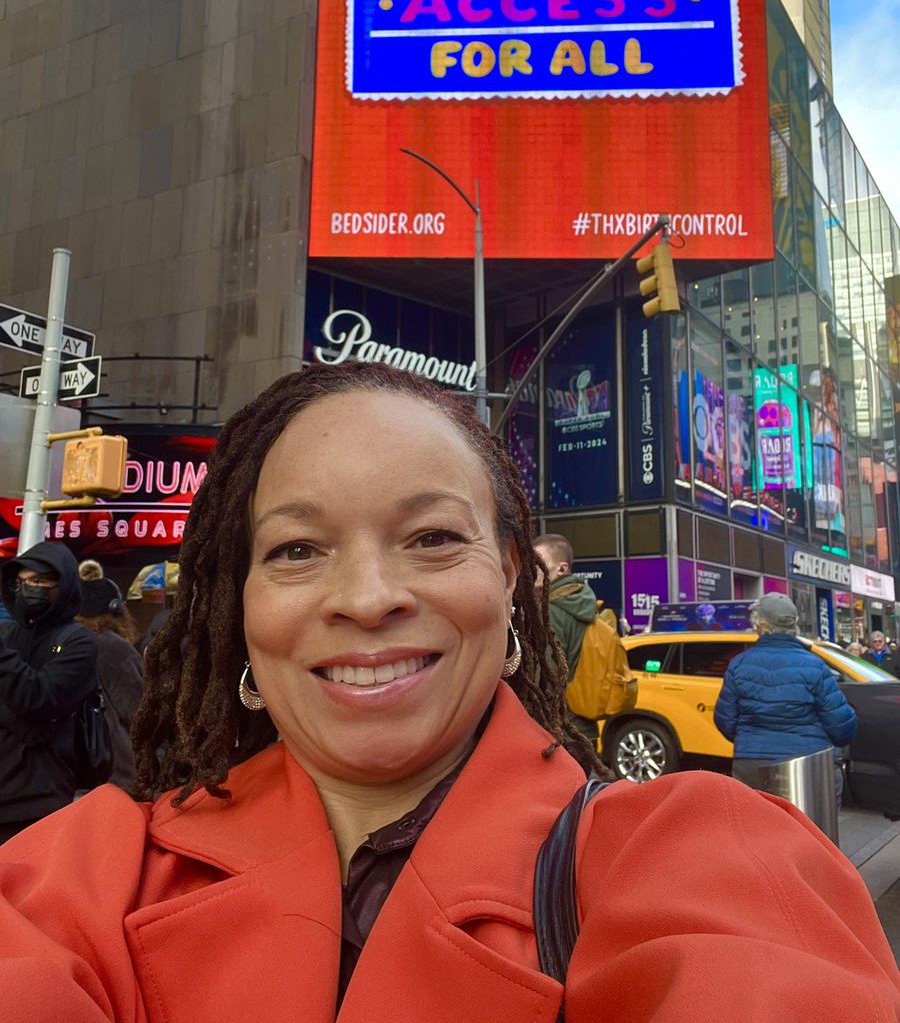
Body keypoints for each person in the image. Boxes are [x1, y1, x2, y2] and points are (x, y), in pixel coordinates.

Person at [0, 364, 898, 1021]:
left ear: (510, 579)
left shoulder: (698, 858)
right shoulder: (85, 876)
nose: (366, 597)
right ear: (239, 610)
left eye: (431, 537)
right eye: (296, 550)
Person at [714, 592, 857, 810]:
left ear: (760, 625)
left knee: (758, 835)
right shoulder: (815, 665)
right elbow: (842, 727)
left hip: (752, 763)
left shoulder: (739, 664)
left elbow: (725, 720)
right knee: (813, 836)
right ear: (794, 624)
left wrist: (752, 738)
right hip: (810, 764)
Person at [0, 542, 97, 844]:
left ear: (63, 585)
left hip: (39, 797)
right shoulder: (9, 635)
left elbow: (38, 699)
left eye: (40, 581)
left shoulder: (79, 643)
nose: (29, 588)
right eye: (23, 582)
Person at [76, 561, 144, 791]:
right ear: (116, 609)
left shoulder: (68, 644)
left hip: (76, 773)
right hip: (117, 774)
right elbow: (138, 713)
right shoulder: (114, 649)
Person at [533, 533, 600, 740]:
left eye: (538, 564)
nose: (532, 571)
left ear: (562, 569)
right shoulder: (584, 601)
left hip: (559, 732)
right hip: (585, 728)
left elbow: (546, 678)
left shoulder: (551, 610)